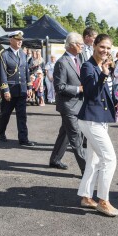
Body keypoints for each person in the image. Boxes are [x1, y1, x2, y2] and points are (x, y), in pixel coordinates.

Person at [77, 34, 118, 217]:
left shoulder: (104, 66)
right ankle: (103, 201)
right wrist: (104, 75)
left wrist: (117, 101)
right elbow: (90, 93)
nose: (105, 51)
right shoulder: (87, 66)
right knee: (110, 159)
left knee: (94, 160)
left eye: (108, 48)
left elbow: (108, 92)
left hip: (100, 119)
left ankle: (86, 196)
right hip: (90, 119)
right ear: (95, 45)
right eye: (102, 47)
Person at [49, 32, 86, 174]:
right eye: (79, 44)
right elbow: (59, 87)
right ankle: (86, 170)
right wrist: (79, 89)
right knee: (76, 137)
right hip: (68, 106)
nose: (82, 46)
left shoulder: (79, 59)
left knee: (64, 134)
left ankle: (55, 160)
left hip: (78, 104)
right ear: (71, 45)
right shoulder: (62, 63)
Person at [0, 30, 34, 146]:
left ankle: (23, 139)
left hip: (21, 90)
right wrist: (5, 90)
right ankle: (1, 133)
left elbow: (26, 71)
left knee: (22, 116)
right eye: (17, 40)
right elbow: (2, 74)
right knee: (5, 114)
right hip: (10, 90)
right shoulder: (4, 55)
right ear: (11, 40)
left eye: (21, 40)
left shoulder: (23, 54)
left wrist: (29, 87)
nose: (20, 42)